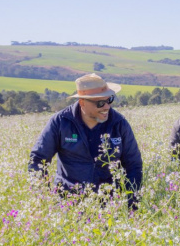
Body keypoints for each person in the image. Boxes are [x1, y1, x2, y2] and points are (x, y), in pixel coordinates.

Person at [30, 73, 143, 207]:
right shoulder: (61, 122)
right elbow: (38, 159)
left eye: (109, 100)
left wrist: (131, 204)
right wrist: (43, 199)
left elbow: (134, 165)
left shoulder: (119, 123)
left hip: (109, 207)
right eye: (100, 103)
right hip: (69, 204)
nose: (107, 107)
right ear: (82, 102)